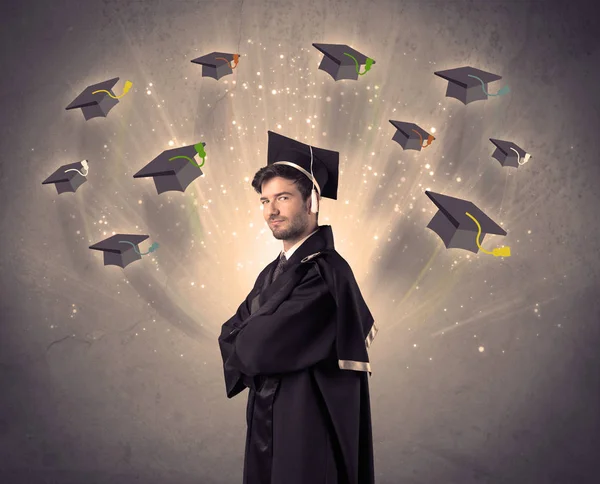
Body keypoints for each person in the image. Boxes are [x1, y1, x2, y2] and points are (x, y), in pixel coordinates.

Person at [218, 131, 378, 484]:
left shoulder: (326, 274)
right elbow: (229, 334)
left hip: (308, 424)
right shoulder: (273, 271)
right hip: (268, 418)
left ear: (311, 202)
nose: (270, 211)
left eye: (283, 198)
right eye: (264, 200)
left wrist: (250, 335)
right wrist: (249, 334)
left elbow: (254, 347)